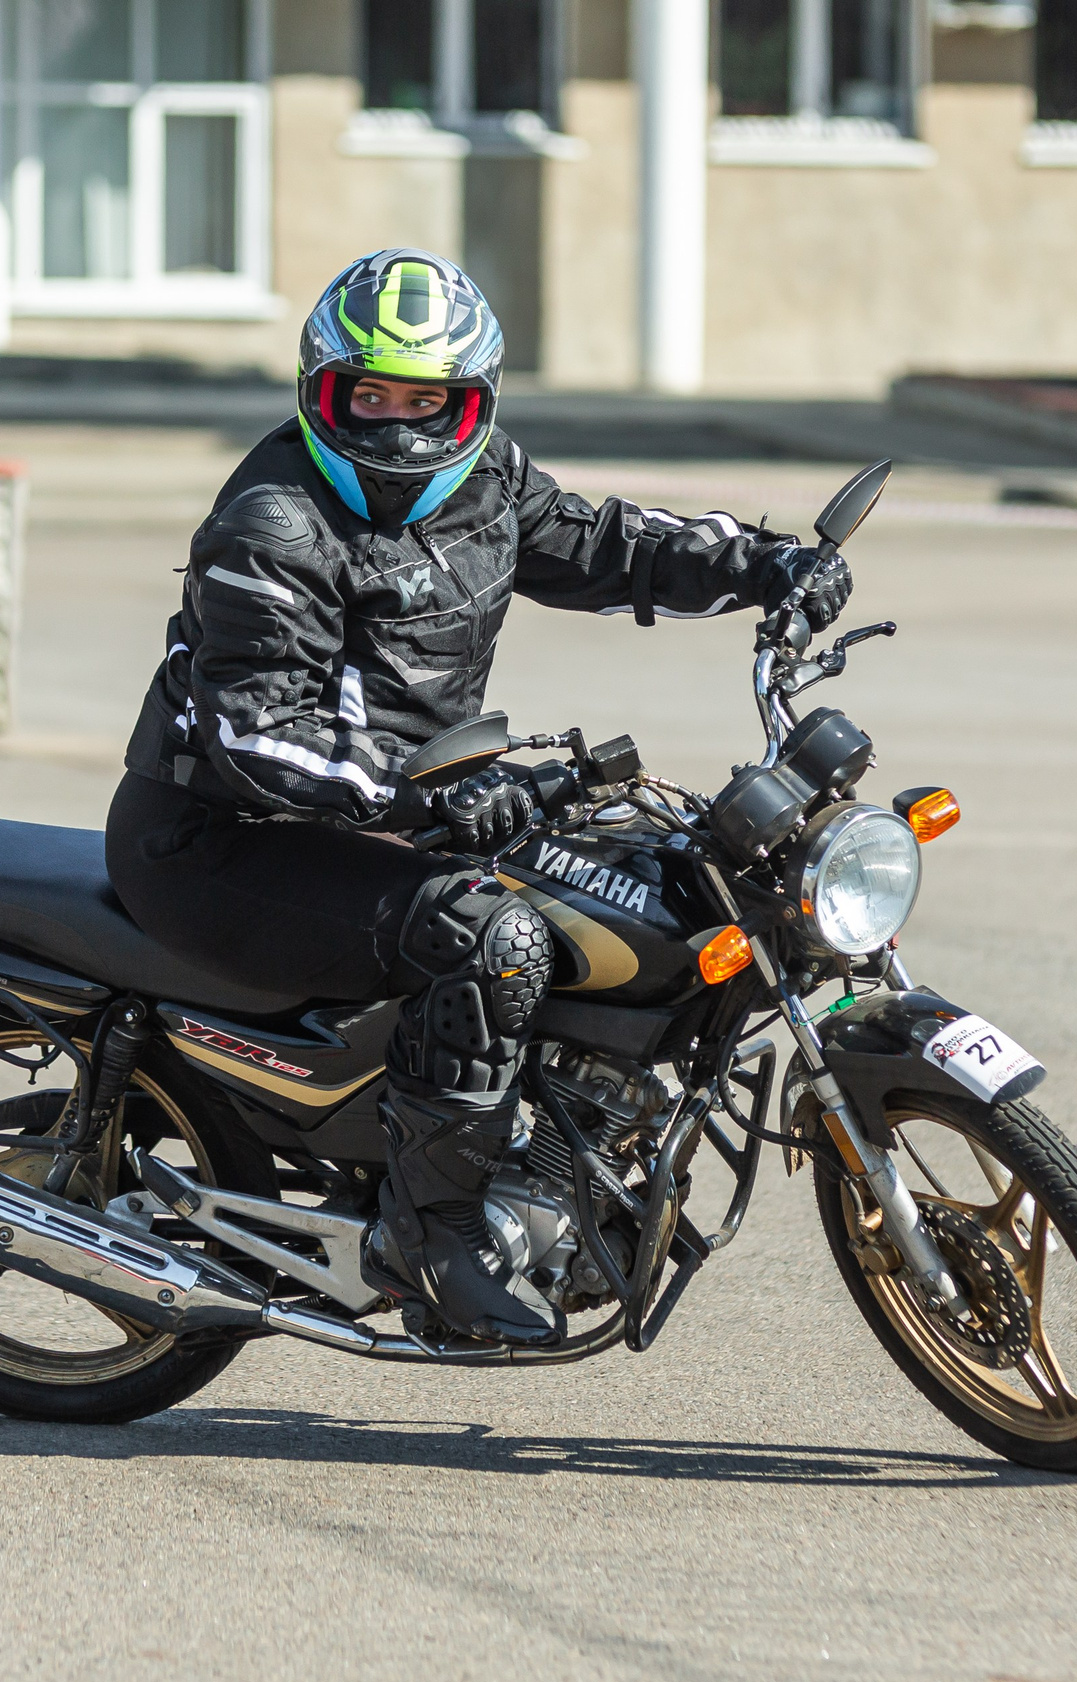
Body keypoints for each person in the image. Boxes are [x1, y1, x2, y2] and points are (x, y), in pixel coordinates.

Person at [105, 249, 851, 1347]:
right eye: (369, 395)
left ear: (473, 403)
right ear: (321, 391)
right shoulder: (271, 526)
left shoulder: (489, 478)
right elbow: (259, 731)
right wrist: (427, 794)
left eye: (427, 401)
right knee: (488, 940)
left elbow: (599, 543)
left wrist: (761, 564)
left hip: (399, 816)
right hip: (227, 839)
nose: (398, 427)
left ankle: (563, 1162)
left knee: (650, 872)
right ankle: (435, 1240)